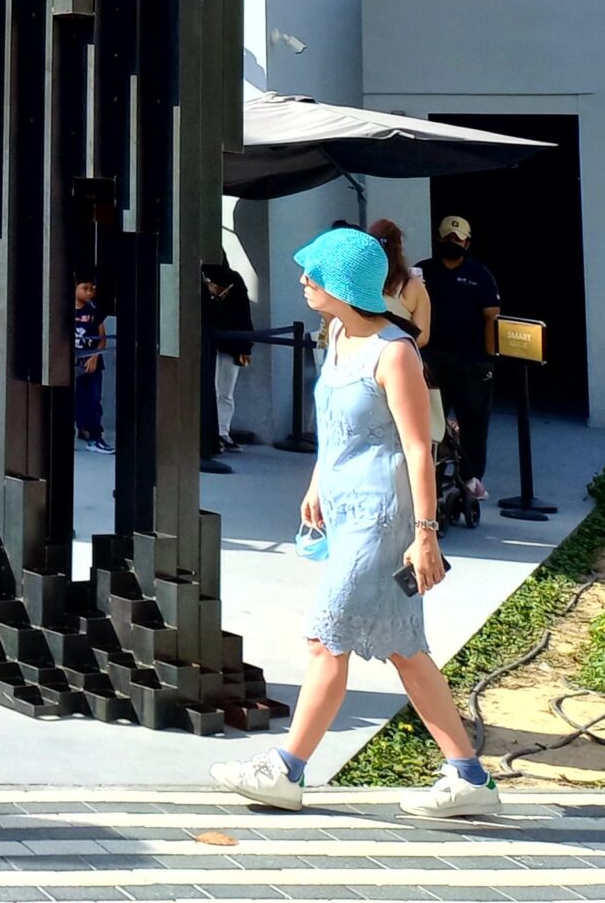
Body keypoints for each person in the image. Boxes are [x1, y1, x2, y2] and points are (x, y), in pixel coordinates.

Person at [212, 226, 502, 821]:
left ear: (343, 283)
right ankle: (469, 776)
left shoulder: (395, 352)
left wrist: (426, 533)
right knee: (405, 648)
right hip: (346, 511)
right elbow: (335, 425)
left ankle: (286, 768)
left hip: (383, 519)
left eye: (314, 273)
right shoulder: (339, 334)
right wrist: (317, 482)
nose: (303, 280)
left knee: (327, 638)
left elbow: (418, 448)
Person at [420, 215, 502, 499]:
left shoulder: (481, 275)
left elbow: (492, 318)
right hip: (430, 360)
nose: (452, 242)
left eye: (458, 238)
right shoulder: (422, 272)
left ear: (467, 242)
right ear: (439, 239)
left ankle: (471, 478)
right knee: (430, 422)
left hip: (471, 362)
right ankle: (430, 478)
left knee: (474, 423)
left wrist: (489, 360)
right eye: (448, 237)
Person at [202, 258, 254, 453]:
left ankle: (222, 432)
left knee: (224, 391)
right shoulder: (208, 281)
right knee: (219, 391)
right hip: (219, 341)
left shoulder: (233, 281)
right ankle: (216, 432)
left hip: (230, 342)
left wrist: (245, 347)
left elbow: (243, 313)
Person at [369, 218, 432, 348]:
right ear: (399, 248)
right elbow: (422, 337)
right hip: (397, 352)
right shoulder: (413, 286)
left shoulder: (357, 282)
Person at [73, 276, 112, 453]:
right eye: (85, 288)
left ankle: (96, 437)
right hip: (73, 362)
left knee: (93, 400)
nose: (89, 292)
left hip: (91, 362)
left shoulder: (94, 311)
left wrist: (95, 356)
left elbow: (102, 339)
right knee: (76, 400)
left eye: (92, 289)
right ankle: (81, 429)